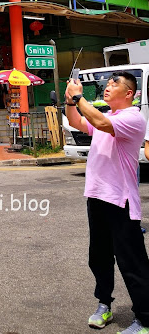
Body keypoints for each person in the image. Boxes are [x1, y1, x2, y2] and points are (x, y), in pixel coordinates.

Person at [64, 71, 149, 333]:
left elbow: (98, 122)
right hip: (97, 196)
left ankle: (145, 319)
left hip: (120, 200)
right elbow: (79, 122)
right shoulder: (108, 115)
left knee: (131, 260)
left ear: (129, 94)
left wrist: (78, 97)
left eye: (115, 84)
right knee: (99, 257)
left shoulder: (132, 118)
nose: (108, 87)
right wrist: (69, 102)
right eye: (108, 83)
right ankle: (104, 304)